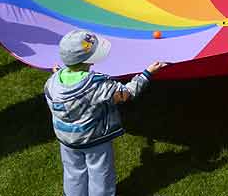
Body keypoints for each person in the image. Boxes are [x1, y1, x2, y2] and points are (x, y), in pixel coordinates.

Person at [44, 30, 166, 196]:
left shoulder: (52, 82)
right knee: (100, 173)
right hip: (93, 140)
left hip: (66, 140)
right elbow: (125, 94)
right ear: (88, 60)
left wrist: (58, 73)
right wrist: (147, 73)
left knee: (73, 171)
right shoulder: (96, 85)